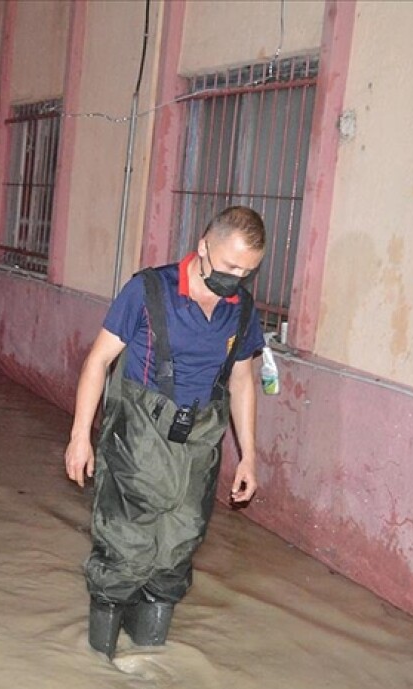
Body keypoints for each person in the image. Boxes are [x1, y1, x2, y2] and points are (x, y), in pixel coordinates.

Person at [64, 205, 267, 659]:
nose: (236, 278)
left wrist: (249, 456)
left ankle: (150, 662)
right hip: (137, 433)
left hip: (199, 442)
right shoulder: (148, 290)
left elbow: (241, 381)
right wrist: (81, 436)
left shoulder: (242, 309)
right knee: (126, 545)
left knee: (179, 547)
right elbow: (98, 361)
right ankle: (98, 666)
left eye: (247, 272)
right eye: (230, 266)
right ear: (202, 247)